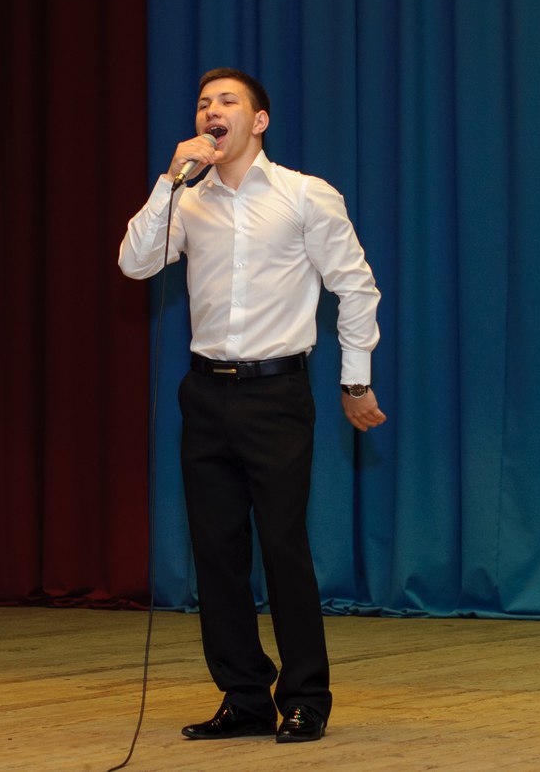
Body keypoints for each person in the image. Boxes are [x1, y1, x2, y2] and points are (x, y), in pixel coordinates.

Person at [119, 68, 386, 744]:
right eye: (203, 103)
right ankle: (243, 697)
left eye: (227, 101)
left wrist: (355, 381)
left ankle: (305, 697)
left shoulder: (305, 195)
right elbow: (135, 263)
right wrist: (168, 180)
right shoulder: (188, 199)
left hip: (276, 393)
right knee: (215, 550)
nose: (211, 110)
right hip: (205, 392)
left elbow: (354, 288)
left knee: (283, 546)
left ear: (258, 121)